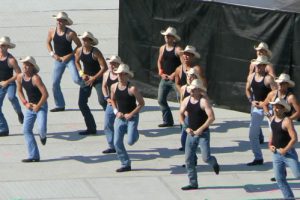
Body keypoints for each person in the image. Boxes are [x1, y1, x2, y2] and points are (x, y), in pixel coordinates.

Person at [180, 79, 219, 190]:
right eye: (191, 90)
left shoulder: (203, 102)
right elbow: (181, 115)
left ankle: (214, 162)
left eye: (194, 90)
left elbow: (211, 117)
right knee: (188, 159)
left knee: (206, 158)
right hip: (191, 133)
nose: (191, 92)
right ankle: (193, 183)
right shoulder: (186, 100)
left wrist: (201, 129)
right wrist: (186, 127)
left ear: (199, 90)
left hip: (203, 134)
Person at [110, 64, 145, 172]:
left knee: (130, 141)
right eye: (118, 74)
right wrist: (116, 112)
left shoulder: (132, 88)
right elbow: (112, 100)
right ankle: (125, 164)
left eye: (122, 74)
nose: (120, 76)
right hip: (120, 117)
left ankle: (135, 134)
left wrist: (131, 114)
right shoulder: (113, 87)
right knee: (116, 142)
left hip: (132, 117)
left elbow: (141, 103)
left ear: (127, 75)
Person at [46, 11, 82, 112]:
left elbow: (79, 46)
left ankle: (89, 85)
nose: (59, 22)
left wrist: (69, 55)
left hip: (70, 59)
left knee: (76, 79)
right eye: (58, 20)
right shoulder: (52, 31)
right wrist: (53, 54)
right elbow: (48, 42)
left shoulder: (70, 33)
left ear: (66, 22)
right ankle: (60, 105)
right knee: (54, 83)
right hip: (58, 60)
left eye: (61, 21)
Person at [16, 56, 48, 162]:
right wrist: (25, 103)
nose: (25, 66)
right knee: (26, 130)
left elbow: (45, 94)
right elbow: (19, 91)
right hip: (30, 107)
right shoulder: (20, 77)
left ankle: (43, 137)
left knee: (41, 129)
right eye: (24, 64)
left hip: (41, 106)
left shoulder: (36, 78)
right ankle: (33, 155)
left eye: (27, 65)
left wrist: (38, 106)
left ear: (32, 67)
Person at [75, 31, 108, 135]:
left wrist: (94, 78)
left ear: (91, 41)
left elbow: (104, 67)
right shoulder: (79, 51)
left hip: (98, 78)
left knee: (102, 101)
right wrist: (81, 73)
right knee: (81, 103)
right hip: (86, 78)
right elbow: (76, 62)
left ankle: (115, 123)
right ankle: (91, 128)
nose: (84, 41)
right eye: (83, 39)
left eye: (86, 40)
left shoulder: (95, 52)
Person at [245, 55, 274, 166]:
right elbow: (247, 89)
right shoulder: (251, 77)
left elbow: (275, 93)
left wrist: (265, 103)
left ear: (264, 66)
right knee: (252, 134)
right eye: (257, 65)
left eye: (260, 65)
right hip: (256, 107)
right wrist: (251, 100)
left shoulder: (268, 78)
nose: (258, 67)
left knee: (275, 134)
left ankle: (279, 159)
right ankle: (258, 158)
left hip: (270, 107)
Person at [268, 98, 300, 199]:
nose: (275, 109)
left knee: (298, 175)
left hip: (288, 153)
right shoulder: (272, 118)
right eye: (274, 107)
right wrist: (270, 144)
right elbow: (272, 133)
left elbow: (294, 138)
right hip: (276, 154)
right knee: (280, 179)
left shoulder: (287, 121)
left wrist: (285, 150)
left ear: (283, 109)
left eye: (278, 107)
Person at [157, 26, 182, 127]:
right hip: (165, 78)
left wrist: (174, 74)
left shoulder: (178, 49)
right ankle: (168, 121)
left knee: (182, 100)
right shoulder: (162, 48)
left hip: (176, 80)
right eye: (166, 36)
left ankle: (184, 121)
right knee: (161, 100)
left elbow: (183, 64)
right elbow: (159, 60)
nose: (167, 38)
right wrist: (160, 71)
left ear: (173, 38)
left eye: (169, 36)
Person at [0, 36, 24, 137]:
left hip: (10, 83)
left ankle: (19, 112)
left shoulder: (11, 60)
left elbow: (19, 74)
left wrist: (7, 82)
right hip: (0, 84)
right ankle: (4, 128)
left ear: (8, 47)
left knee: (11, 97)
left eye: (3, 46)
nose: (1, 47)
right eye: (0, 45)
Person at [178, 68, 204, 151]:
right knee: (183, 137)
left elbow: (203, 103)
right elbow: (181, 101)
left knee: (192, 138)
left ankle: (191, 159)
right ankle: (188, 154)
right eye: (188, 76)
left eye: (191, 76)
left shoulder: (200, 90)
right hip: (185, 116)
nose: (189, 78)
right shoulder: (183, 88)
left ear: (195, 77)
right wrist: (183, 112)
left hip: (194, 116)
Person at [102, 55, 122, 154]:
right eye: (110, 63)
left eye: (113, 63)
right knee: (107, 124)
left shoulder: (121, 75)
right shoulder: (106, 74)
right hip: (111, 103)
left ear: (118, 64)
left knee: (121, 126)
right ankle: (112, 146)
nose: (111, 65)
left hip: (122, 103)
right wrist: (106, 98)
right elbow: (104, 86)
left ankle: (120, 143)